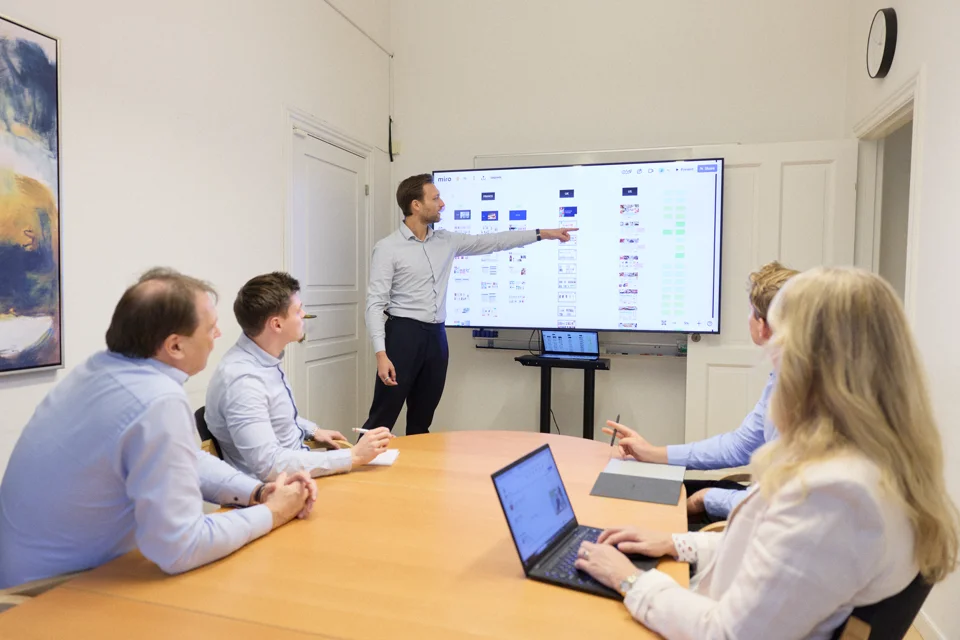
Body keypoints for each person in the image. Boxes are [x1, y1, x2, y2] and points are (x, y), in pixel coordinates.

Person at [574, 267, 960, 639]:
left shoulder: (835, 496)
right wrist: (677, 543)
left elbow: (722, 633)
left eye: (780, 351)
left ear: (812, 366)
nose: (773, 367)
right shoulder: (880, 462)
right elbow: (778, 557)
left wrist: (628, 580)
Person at [0, 268, 317, 589]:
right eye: (210, 327)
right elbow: (181, 547)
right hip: (47, 596)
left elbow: (187, 458)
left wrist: (258, 492)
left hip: (36, 576)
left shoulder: (99, 371)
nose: (218, 334)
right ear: (175, 346)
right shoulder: (156, 399)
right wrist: (274, 513)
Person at [363, 173, 576, 435]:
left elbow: (494, 241)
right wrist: (381, 354)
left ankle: (416, 474)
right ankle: (353, 467)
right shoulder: (388, 248)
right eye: (436, 198)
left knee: (421, 421)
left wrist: (543, 233)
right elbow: (374, 304)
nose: (442, 204)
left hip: (436, 337)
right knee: (381, 419)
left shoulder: (447, 241)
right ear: (416, 205)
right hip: (402, 336)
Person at [606, 261, 798, 528]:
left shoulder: (798, 395)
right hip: (763, 504)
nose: (748, 318)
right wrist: (652, 453)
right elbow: (741, 446)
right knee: (642, 489)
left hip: (770, 519)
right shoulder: (783, 376)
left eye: (751, 312)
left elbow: (783, 503)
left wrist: (708, 498)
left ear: (763, 326)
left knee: (638, 518)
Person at [205, 272, 392, 481]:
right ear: (276, 324)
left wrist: (312, 430)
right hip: (277, 490)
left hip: (296, 473)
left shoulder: (261, 357)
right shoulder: (243, 382)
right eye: (298, 310)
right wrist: (353, 455)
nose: (304, 315)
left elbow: (271, 415)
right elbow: (269, 466)